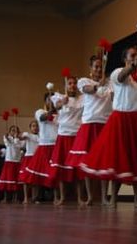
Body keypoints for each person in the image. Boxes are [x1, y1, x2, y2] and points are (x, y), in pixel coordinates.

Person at [80, 45, 137, 209]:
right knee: (118, 159)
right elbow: (121, 78)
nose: (135, 57)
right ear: (125, 59)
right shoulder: (117, 73)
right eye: (132, 55)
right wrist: (133, 66)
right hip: (121, 120)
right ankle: (113, 199)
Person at [67, 56, 112, 206]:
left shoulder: (110, 83)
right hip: (89, 124)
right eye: (96, 67)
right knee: (86, 162)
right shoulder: (84, 81)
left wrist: (108, 86)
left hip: (105, 124)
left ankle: (105, 197)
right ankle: (90, 197)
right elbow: (89, 90)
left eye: (101, 67)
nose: (99, 69)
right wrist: (100, 84)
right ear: (91, 68)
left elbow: (114, 97)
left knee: (105, 162)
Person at [49, 76, 83, 205]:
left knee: (77, 170)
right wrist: (61, 102)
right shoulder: (59, 98)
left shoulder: (82, 99)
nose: (72, 85)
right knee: (62, 168)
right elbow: (54, 107)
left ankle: (80, 198)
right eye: (70, 83)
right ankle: (62, 198)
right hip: (63, 136)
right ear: (66, 85)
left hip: (77, 136)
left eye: (74, 83)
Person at [0, 125, 23, 203]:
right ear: (9, 132)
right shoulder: (7, 138)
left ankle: (15, 198)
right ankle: (5, 197)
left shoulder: (19, 140)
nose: (14, 132)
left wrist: (16, 138)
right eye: (12, 130)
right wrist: (8, 137)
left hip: (17, 162)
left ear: (18, 132)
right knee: (7, 179)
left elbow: (19, 146)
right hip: (9, 161)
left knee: (15, 180)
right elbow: (7, 144)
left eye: (15, 130)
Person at [18, 121, 39, 204]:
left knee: (35, 180)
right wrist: (19, 135)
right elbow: (21, 138)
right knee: (26, 179)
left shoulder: (41, 136)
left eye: (37, 126)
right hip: (28, 158)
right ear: (30, 128)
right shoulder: (27, 135)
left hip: (37, 159)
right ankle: (26, 198)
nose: (35, 127)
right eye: (33, 126)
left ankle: (35, 198)